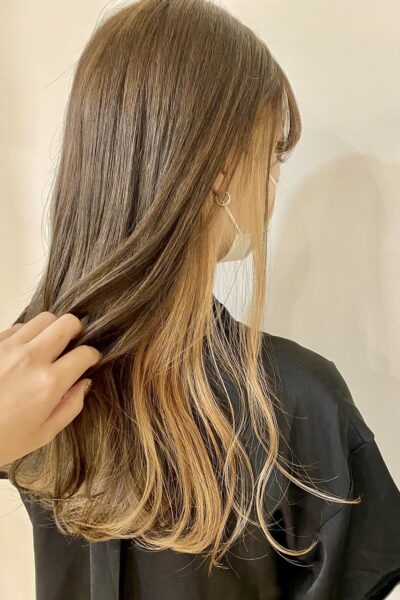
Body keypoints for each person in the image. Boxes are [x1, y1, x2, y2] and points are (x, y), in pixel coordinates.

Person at [1, 0, 399, 599]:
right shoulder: (296, 401)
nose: (273, 185)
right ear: (219, 172)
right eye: (272, 156)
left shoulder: (28, 369)